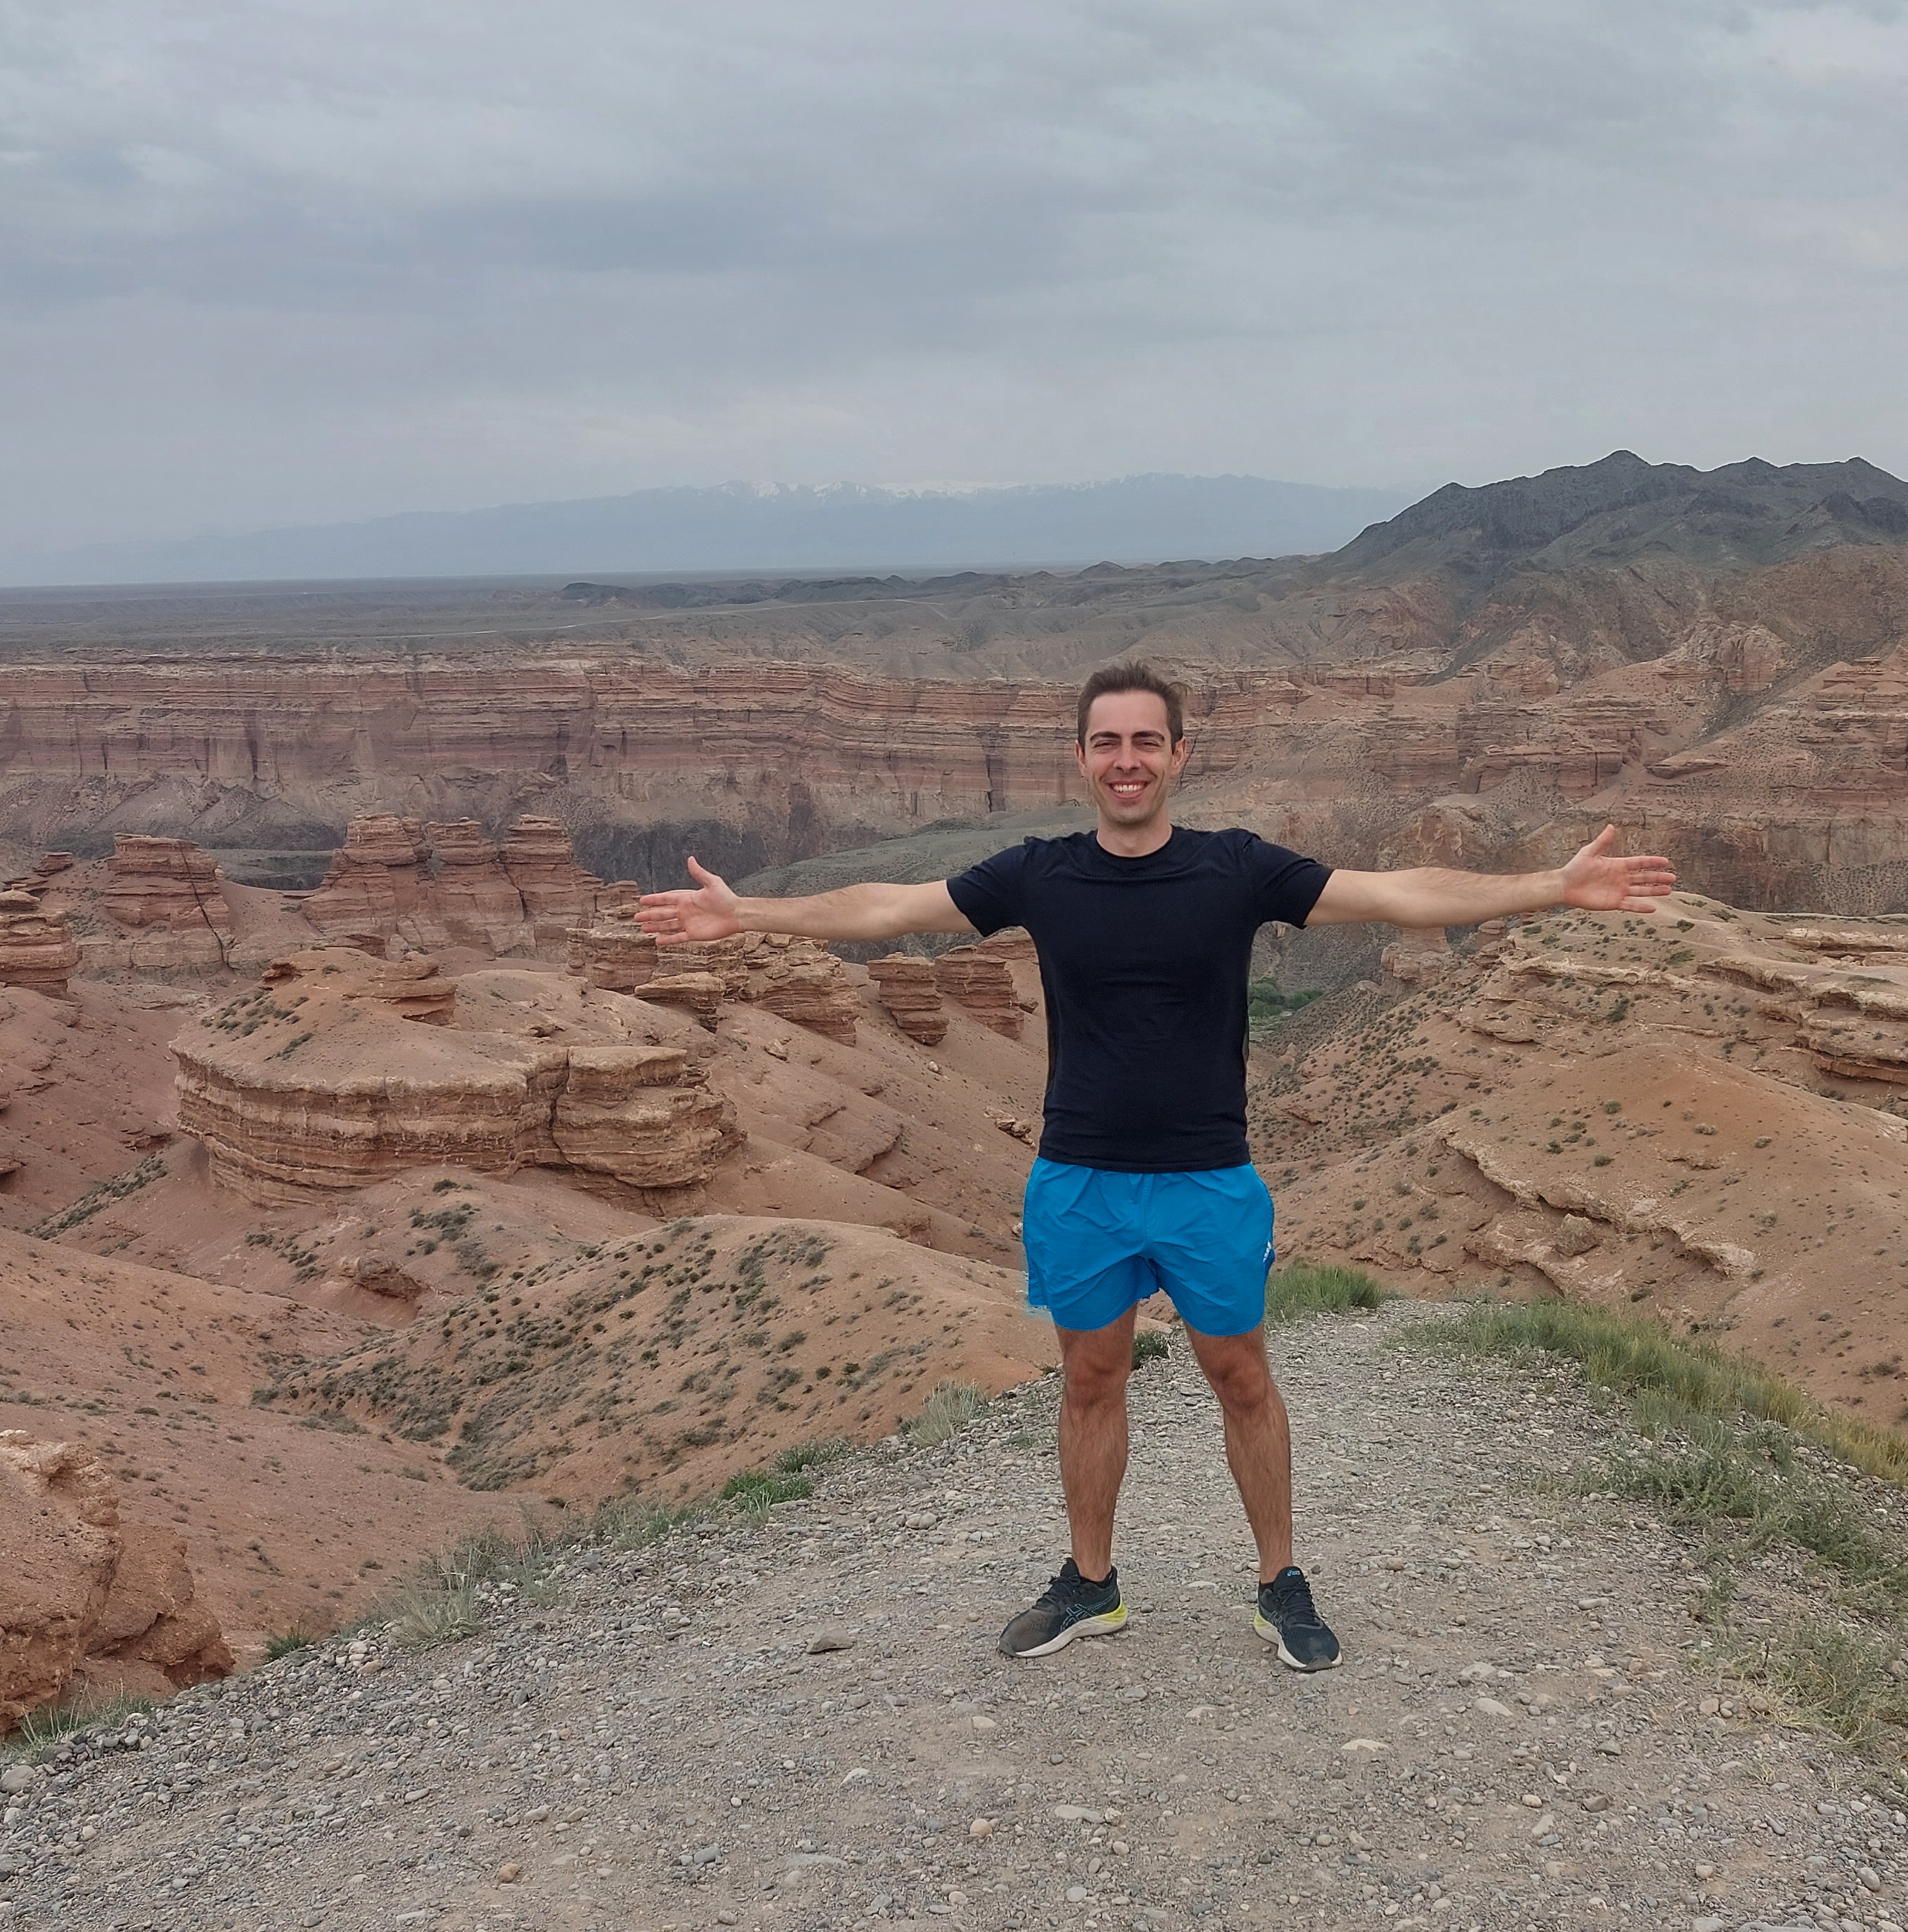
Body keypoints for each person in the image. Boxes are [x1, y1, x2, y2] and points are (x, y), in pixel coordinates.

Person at [635, 659, 1675, 1673]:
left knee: (1243, 1378)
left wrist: (1551, 886)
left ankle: (1280, 1582)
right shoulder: (1038, 873)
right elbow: (888, 908)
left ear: (1178, 755)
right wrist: (749, 915)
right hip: (1078, 1178)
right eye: (1106, 743)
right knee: (1090, 1379)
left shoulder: (1238, 867)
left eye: (1144, 741)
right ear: (1080, 760)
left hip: (1206, 1178)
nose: (1125, 760)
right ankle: (1092, 1583)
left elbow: (1398, 893)